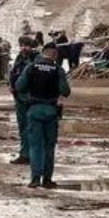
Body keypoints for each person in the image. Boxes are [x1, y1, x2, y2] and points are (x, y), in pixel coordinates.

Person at [14, 41, 70, 188]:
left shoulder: (31, 67)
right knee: (49, 146)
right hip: (51, 111)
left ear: (43, 52)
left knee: (35, 145)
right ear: (55, 55)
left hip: (34, 110)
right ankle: (47, 178)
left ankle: (35, 178)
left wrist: (27, 98)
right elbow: (65, 91)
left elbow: (19, 86)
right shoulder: (58, 70)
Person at [7, 34, 38, 165]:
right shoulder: (20, 58)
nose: (23, 48)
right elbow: (13, 72)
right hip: (19, 97)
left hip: (32, 98)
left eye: (26, 45)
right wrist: (10, 85)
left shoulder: (36, 59)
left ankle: (34, 154)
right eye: (21, 45)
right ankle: (24, 154)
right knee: (22, 127)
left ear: (32, 47)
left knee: (33, 128)